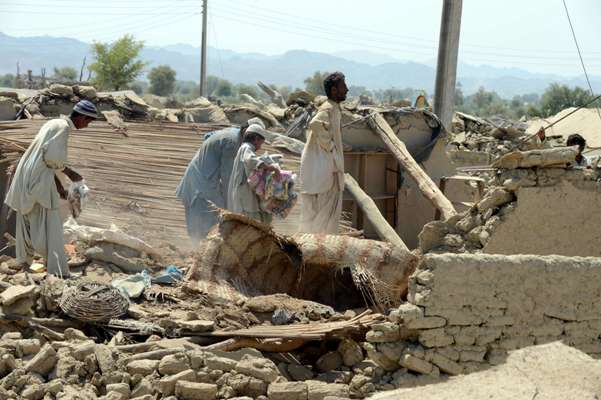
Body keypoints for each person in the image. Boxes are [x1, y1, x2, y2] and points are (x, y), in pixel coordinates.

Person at [5, 100, 97, 278]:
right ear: (82, 117)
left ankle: (23, 263)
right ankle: (58, 271)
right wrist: (72, 174)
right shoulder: (63, 128)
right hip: (37, 180)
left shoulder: (53, 123)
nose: (87, 125)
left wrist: (59, 187)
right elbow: (53, 160)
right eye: (89, 121)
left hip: (29, 176)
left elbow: (45, 161)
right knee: (49, 225)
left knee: (27, 222)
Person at [176, 117, 265, 242]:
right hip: (201, 182)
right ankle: (201, 253)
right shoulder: (233, 144)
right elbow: (229, 180)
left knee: (210, 221)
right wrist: (235, 210)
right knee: (212, 220)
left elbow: (208, 136)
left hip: (201, 176)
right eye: (258, 141)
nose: (258, 147)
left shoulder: (233, 133)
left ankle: (200, 251)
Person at [299, 71, 348, 234]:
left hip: (321, 172)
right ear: (334, 90)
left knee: (316, 221)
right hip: (326, 172)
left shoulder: (333, 108)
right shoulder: (328, 108)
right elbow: (315, 124)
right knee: (323, 223)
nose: (347, 89)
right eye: (343, 86)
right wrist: (332, 149)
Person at [228, 124, 279, 224]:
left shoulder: (243, 148)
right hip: (244, 194)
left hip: (241, 192)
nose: (260, 147)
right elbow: (250, 160)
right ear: (256, 139)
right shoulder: (246, 147)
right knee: (250, 222)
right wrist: (270, 167)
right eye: (261, 143)